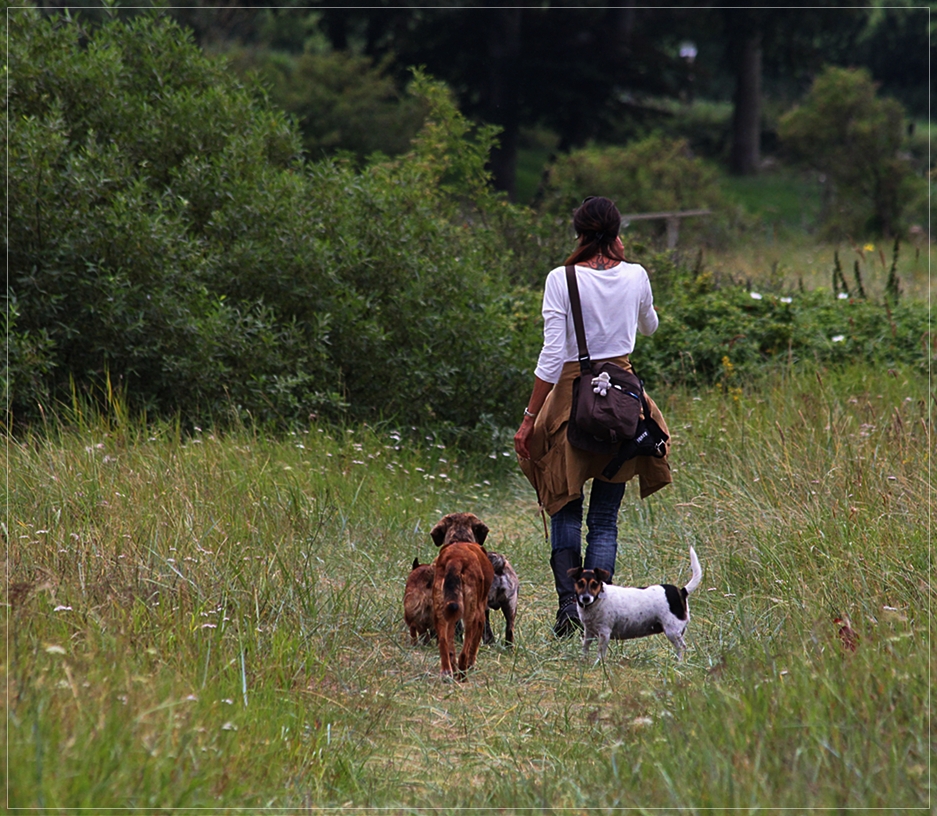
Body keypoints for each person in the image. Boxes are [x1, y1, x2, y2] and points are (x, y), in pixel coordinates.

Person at [514, 196, 672, 637]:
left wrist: (529, 418)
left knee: (564, 508)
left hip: (569, 398)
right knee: (605, 517)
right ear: (617, 233)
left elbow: (551, 354)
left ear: (579, 233)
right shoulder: (637, 275)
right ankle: (597, 613)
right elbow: (650, 327)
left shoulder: (560, 279)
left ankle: (569, 608)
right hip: (621, 398)